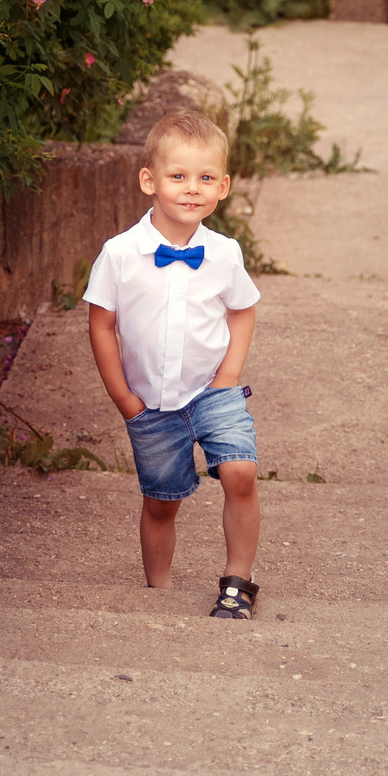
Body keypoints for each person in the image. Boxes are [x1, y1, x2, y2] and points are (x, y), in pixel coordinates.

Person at [83, 108, 265, 619]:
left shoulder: (225, 253)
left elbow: (243, 310)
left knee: (241, 473)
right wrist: (124, 399)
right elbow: (101, 324)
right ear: (149, 181)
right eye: (178, 176)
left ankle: (237, 584)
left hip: (213, 389)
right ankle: (157, 595)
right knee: (163, 501)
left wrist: (228, 377)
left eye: (206, 178)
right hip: (150, 403)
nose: (192, 189)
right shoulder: (119, 255)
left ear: (223, 186)